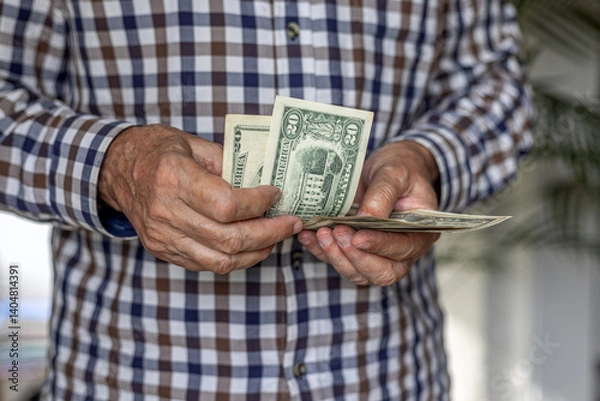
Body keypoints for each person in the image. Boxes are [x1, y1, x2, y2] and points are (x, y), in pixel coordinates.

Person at [0, 0, 534, 399]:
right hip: (139, 379)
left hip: (388, 376)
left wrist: (426, 158)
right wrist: (118, 165)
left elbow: (494, 84)